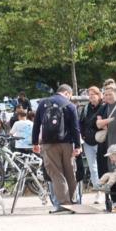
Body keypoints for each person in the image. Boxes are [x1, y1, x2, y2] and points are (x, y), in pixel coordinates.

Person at [32, 84, 82, 214]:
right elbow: (75, 128)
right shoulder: (70, 105)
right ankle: (72, 201)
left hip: (48, 145)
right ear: (67, 93)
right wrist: (77, 145)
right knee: (70, 172)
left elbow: (36, 124)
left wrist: (35, 143)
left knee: (56, 173)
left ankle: (64, 203)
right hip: (67, 144)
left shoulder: (43, 103)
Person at [79, 86, 105, 205]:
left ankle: (107, 190)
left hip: (101, 141)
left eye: (93, 95)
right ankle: (99, 191)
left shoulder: (104, 107)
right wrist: (82, 135)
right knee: (93, 168)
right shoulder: (85, 108)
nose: (91, 97)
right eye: (89, 95)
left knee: (102, 166)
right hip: (88, 142)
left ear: (99, 95)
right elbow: (81, 123)